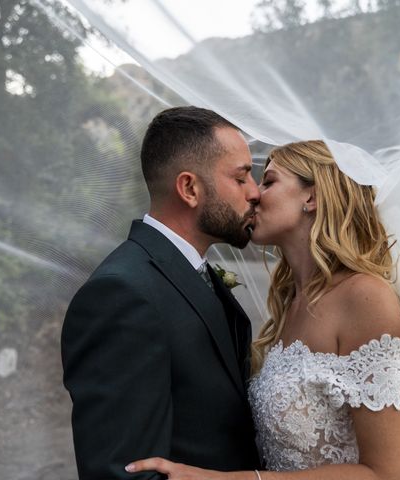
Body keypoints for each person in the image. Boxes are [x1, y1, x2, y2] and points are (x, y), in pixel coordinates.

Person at [125, 140, 400, 480]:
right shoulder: (290, 304)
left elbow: (388, 475)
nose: (253, 194)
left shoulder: (365, 297)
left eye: (269, 181)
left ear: (312, 197)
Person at [61, 106, 262, 479]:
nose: (255, 193)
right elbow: (123, 471)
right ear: (189, 188)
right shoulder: (120, 293)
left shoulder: (194, 272)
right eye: (242, 178)